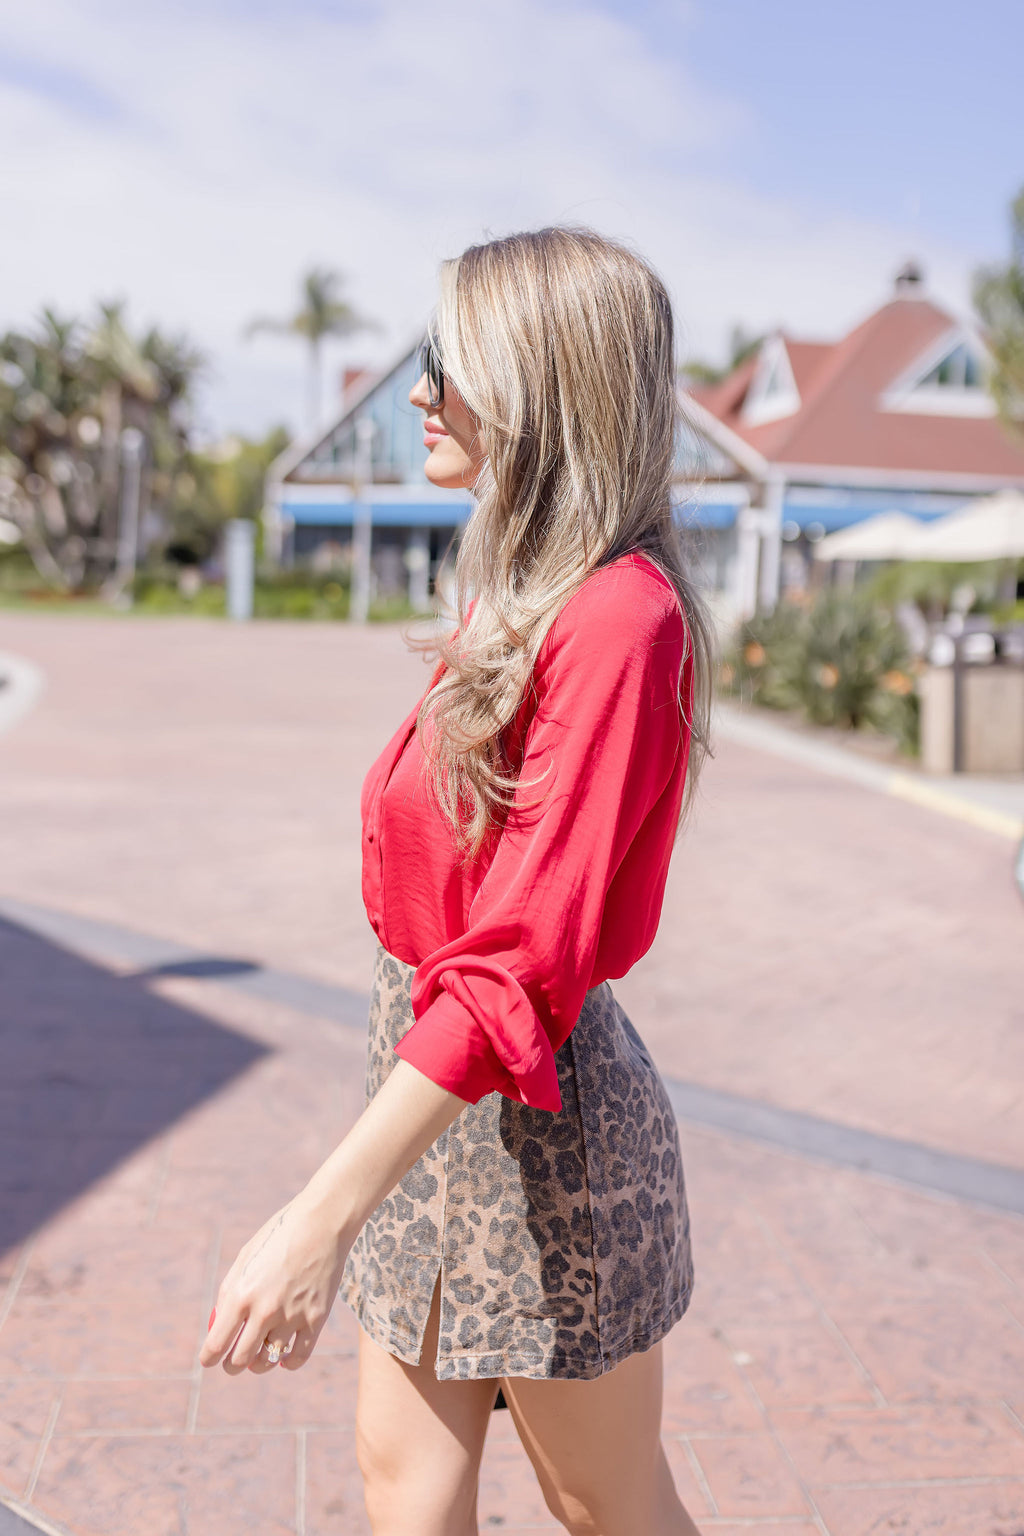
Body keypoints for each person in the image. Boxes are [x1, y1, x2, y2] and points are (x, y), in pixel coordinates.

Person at [199, 226, 715, 1536]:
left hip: (538, 1127)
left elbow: (521, 961)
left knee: (599, 1500)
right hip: (428, 1089)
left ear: (543, 382)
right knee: (403, 1487)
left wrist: (317, 1215)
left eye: (449, 362)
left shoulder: (619, 614)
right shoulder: (524, 595)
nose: (421, 390)